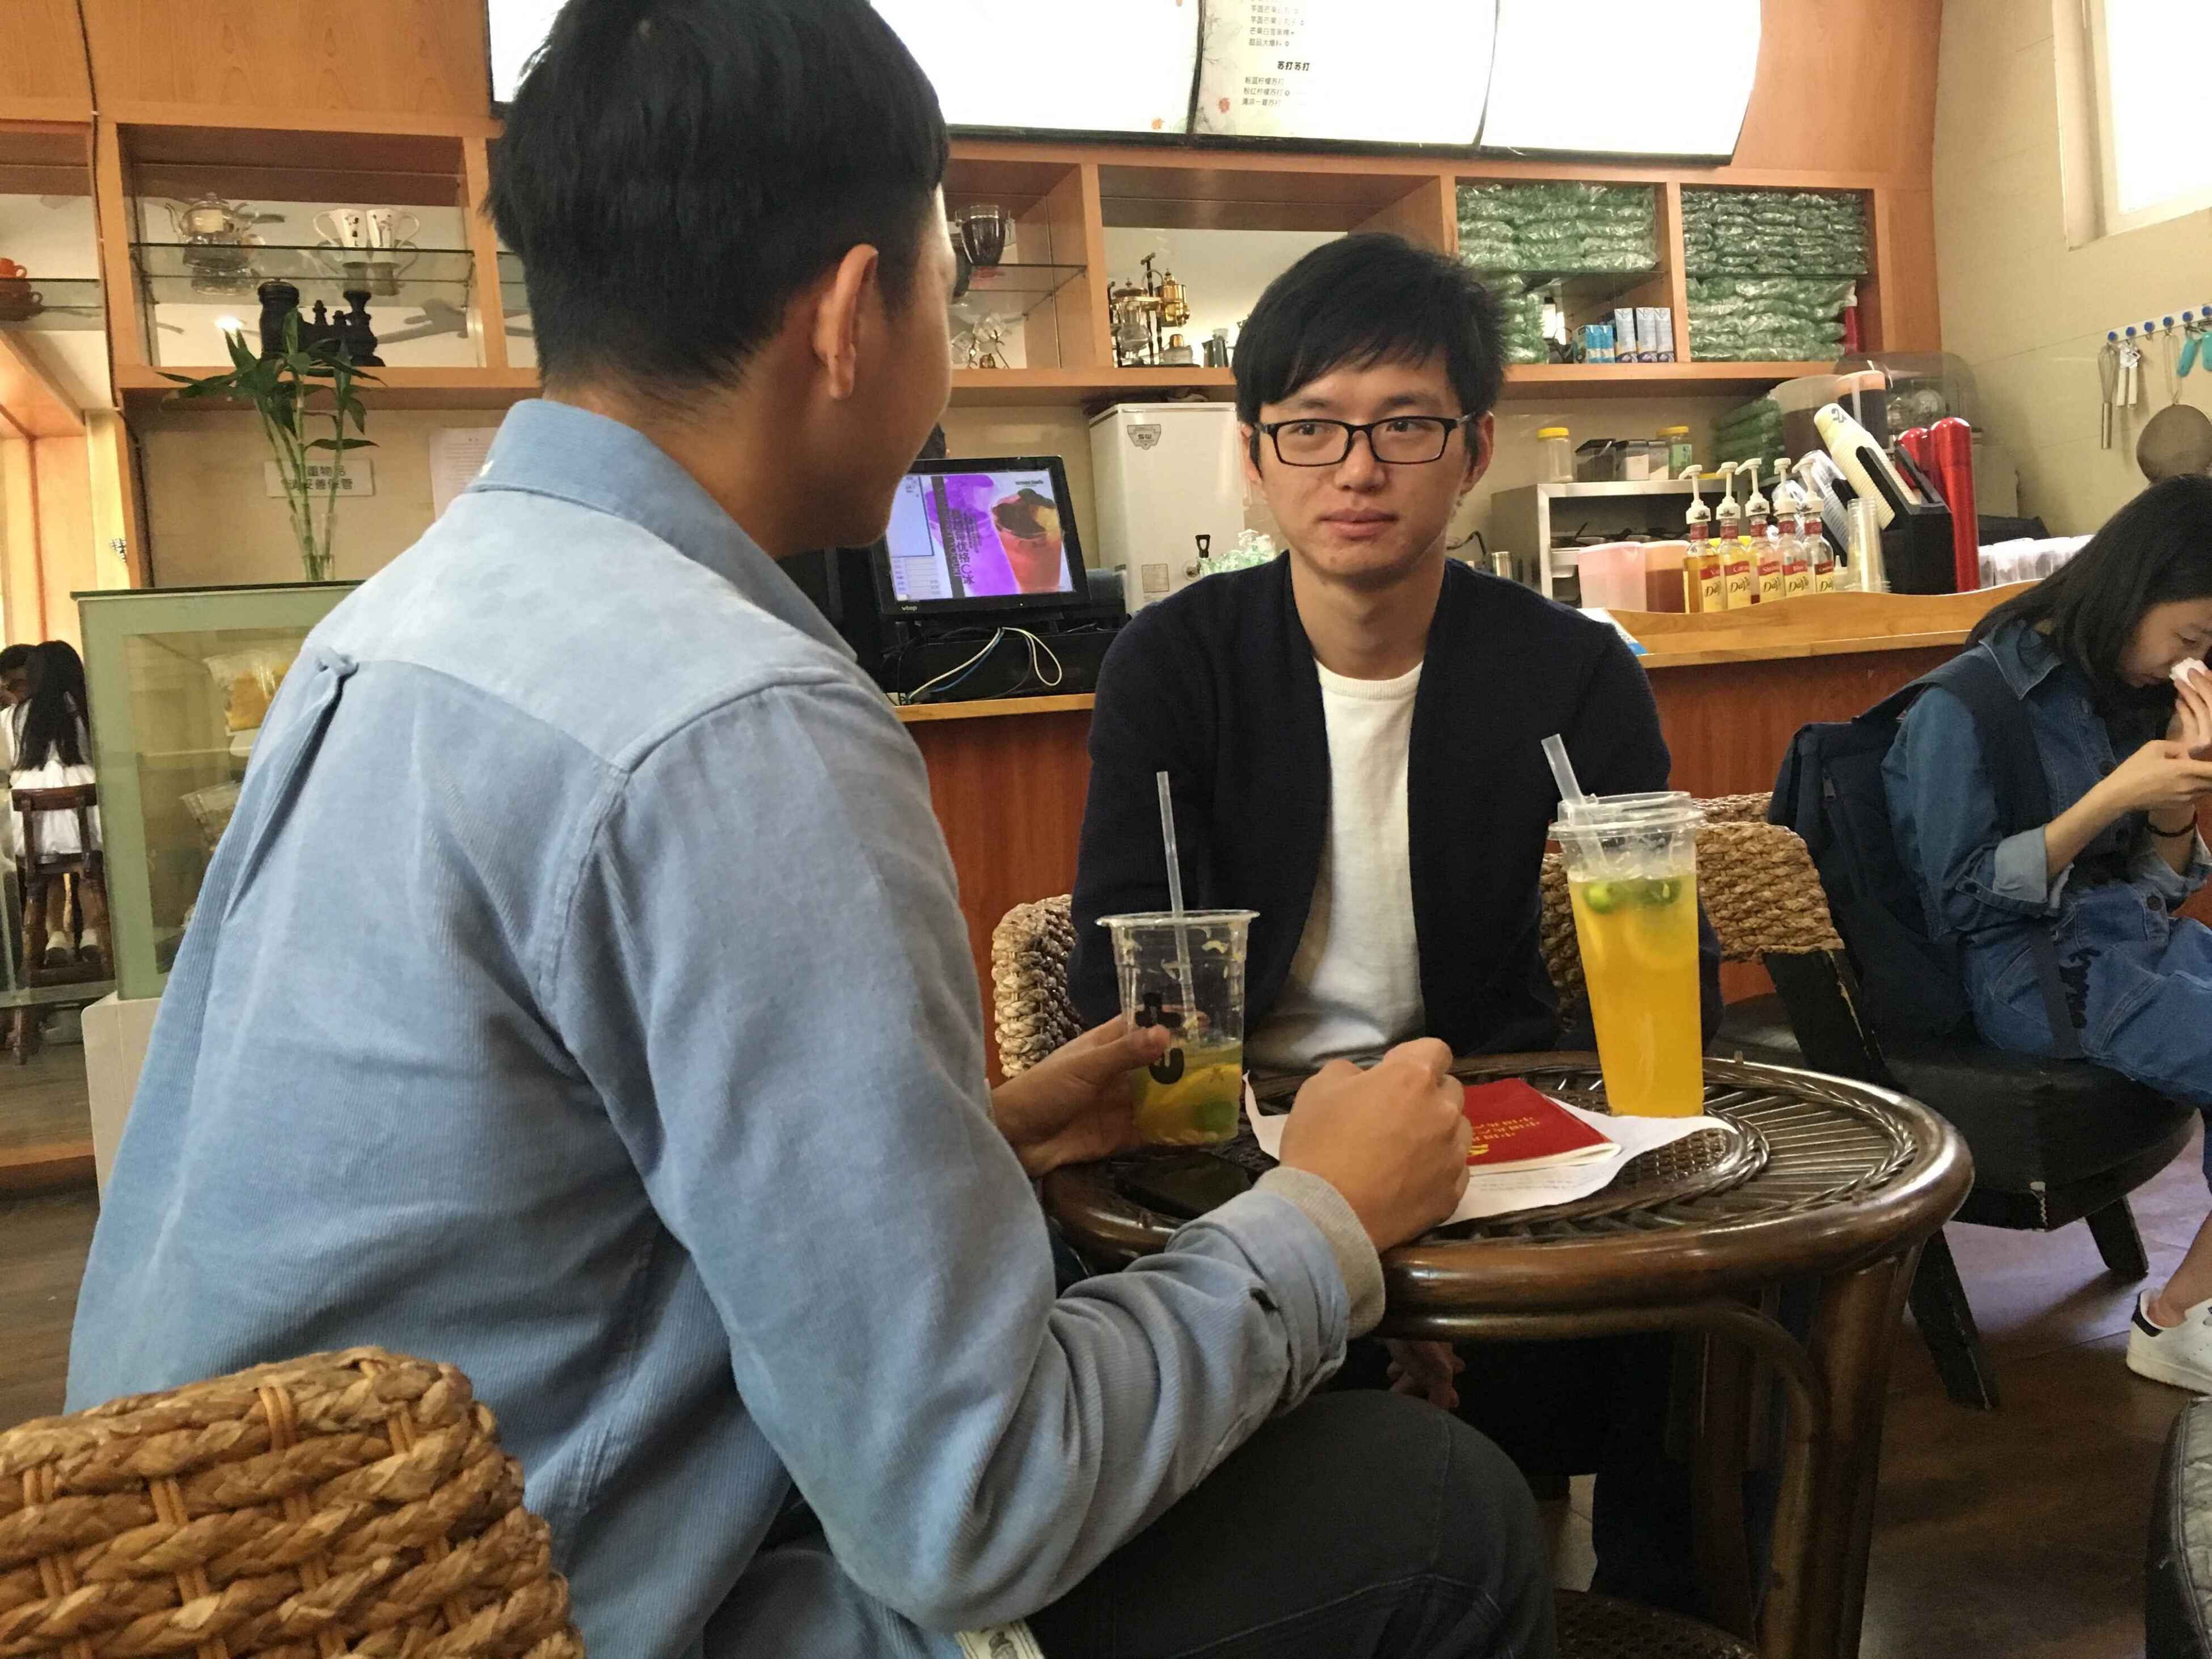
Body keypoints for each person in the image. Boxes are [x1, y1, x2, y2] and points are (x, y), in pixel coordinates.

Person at [66, 6, 1551, 1658]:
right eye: (946, 276)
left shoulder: (395, 622)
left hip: (230, 1595)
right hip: (549, 1611)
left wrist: (959, 1141)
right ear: (853, 315)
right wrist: (1328, 1217)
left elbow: (538, 1192)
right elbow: (972, 1503)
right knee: (1439, 1510)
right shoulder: (738, 715)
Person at [1067, 233, 1723, 1614]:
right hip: (1243, 1129)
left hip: (1494, 1106)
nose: (1356, 468)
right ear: (1255, 455)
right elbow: (1122, 981)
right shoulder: (1173, 667)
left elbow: (1672, 965)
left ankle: (1668, 1615)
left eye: (1404, 425)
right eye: (1311, 427)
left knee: (1719, 1300)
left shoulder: (1571, 670)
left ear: (1473, 445)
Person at [1884, 476, 2212, 1394]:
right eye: (2191, 638)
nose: (2194, 663)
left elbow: (2155, 894)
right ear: (2134, 587)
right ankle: (2175, 1317)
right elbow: (1963, 903)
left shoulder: (2118, 692)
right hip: (2036, 976)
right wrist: (2110, 798)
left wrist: (2178, 794)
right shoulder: (1965, 706)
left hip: (2131, 948)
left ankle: (2192, 1306)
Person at [11, 639, 104, 972]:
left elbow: (8, 762)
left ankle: (55, 938)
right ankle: (93, 935)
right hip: (85, 818)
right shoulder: (90, 710)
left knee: (45, 876)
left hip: (33, 828)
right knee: (89, 870)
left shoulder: (14, 717)